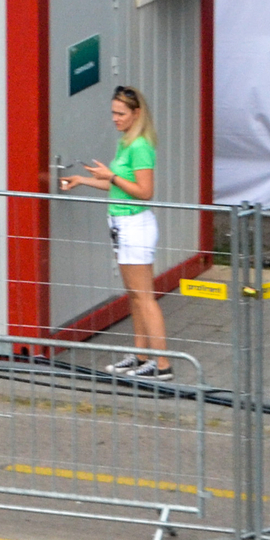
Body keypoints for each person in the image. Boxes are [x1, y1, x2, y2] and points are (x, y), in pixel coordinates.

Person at [60, 86, 167, 380]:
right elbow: (119, 186)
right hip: (122, 225)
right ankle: (141, 355)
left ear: (137, 114)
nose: (115, 119)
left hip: (135, 224)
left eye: (120, 114)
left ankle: (162, 365)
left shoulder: (140, 146)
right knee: (134, 295)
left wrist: (112, 175)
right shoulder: (126, 142)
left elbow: (145, 192)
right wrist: (84, 180)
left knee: (144, 296)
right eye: (113, 113)